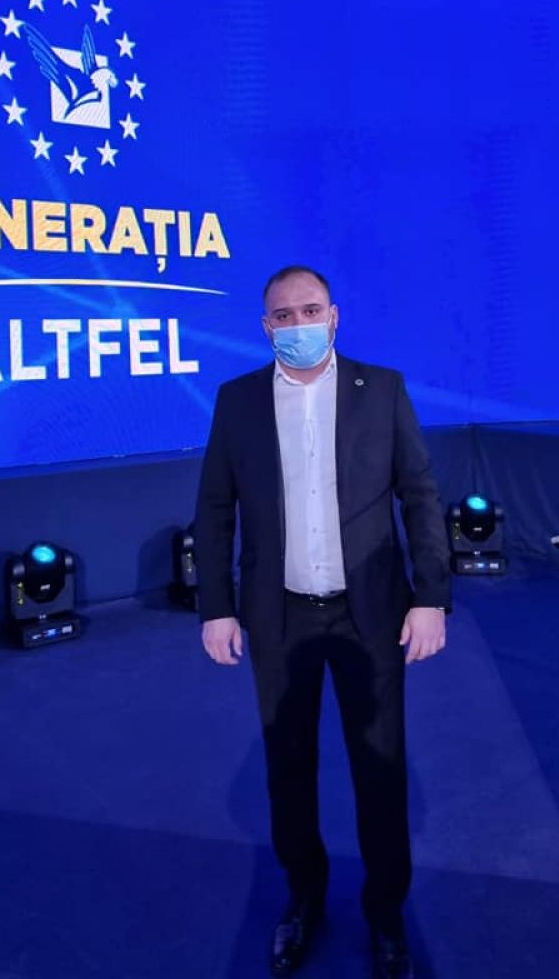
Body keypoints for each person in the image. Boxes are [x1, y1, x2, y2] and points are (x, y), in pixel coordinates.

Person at [195, 265, 451, 979]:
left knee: (380, 769)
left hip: (372, 615)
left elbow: (420, 495)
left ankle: (385, 913)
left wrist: (431, 596)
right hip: (278, 617)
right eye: (284, 315)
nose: (299, 325)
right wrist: (216, 607)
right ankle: (303, 898)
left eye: (311, 310)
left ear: (334, 316)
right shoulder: (238, 400)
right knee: (288, 770)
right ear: (266, 327)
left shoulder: (383, 389)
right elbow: (214, 509)